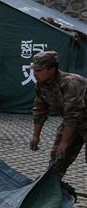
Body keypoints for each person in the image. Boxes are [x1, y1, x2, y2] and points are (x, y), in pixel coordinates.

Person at [29, 50, 87, 179]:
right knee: (57, 159)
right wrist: (35, 136)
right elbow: (40, 109)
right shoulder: (41, 85)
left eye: (39, 70)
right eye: (34, 70)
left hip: (77, 118)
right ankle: (49, 189)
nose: (35, 73)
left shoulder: (71, 83)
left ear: (52, 69)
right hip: (74, 123)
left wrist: (65, 142)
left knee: (63, 147)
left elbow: (73, 114)